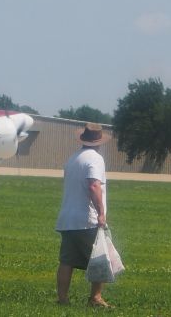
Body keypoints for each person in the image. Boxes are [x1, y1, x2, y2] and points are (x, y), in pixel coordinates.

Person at [55, 122, 112, 308]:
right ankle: (95, 298)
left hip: (67, 219)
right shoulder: (95, 158)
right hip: (86, 219)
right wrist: (101, 213)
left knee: (67, 261)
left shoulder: (73, 158)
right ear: (99, 141)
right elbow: (94, 185)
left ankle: (62, 299)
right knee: (99, 258)